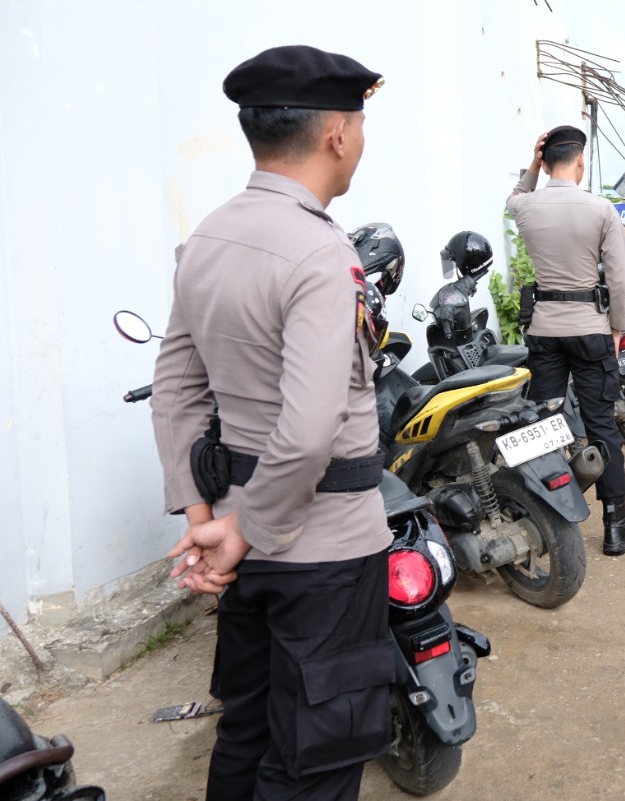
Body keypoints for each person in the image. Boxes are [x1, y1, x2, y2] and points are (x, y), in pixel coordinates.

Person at [152, 45, 394, 801]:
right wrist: (244, 529)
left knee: (246, 732)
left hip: (240, 542)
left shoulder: (209, 238)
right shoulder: (321, 252)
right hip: (321, 552)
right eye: (359, 122)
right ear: (336, 135)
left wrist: (208, 520)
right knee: (314, 760)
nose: (359, 138)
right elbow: (312, 426)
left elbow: (176, 388)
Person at [508, 125, 625, 556]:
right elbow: (617, 278)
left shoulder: (525, 206)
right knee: (602, 425)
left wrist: (533, 165)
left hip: (544, 330)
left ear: (545, 162)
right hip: (590, 330)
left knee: (543, 427)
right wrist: (619, 325)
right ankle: (616, 526)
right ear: (580, 160)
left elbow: (514, 195)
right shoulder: (601, 209)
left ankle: (544, 516)